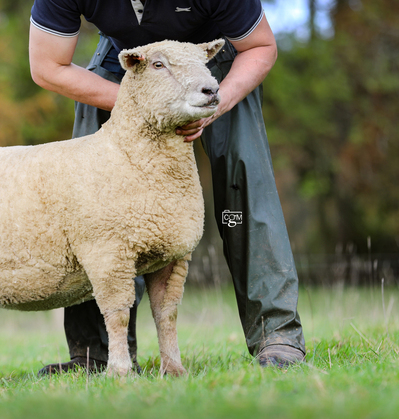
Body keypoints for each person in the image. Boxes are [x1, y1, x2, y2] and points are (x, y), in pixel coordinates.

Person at [28, 0, 306, 373]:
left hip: (213, 67)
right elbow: (47, 66)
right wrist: (142, 106)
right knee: (90, 205)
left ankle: (277, 334)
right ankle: (95, 352)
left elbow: (259, 45)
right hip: (127, 65)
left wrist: (214, 105)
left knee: (242, 190)